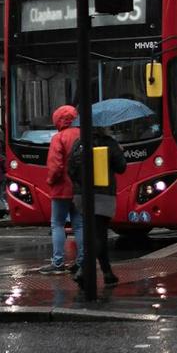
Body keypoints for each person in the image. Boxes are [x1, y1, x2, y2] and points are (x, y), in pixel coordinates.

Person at [70, 128, 128, 285]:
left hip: (81, 196)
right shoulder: (109, 143)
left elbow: (70, 170)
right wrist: (120, 151)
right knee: (99, 235)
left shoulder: (78, 144)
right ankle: (84, 269)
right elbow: (122, 168)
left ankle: (108, 273)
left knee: (97, 235)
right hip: (103, 195)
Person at [38, 104, 84, 274]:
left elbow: (55, 166)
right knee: (79, 225)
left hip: (61, 188)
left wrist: (50, 181)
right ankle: (82, 261)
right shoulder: (83, 135)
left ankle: (57, 263)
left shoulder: (59, 138)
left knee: (57, 224)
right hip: (79, 188)